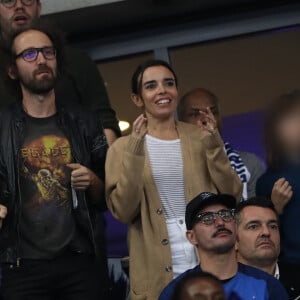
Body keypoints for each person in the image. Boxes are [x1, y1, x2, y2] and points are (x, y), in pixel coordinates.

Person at [105, 60, 243, 300]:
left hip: (205, 242)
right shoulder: (121, 148)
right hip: (155, 254)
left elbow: (232, 194)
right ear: (137, 98)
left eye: (168, 83)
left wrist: (213, 144)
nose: (162, 90)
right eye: (151, 86)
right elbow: (123, 211)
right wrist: (136, 149)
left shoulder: (200, 136)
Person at [0, 25, 108, 299]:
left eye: (48, 52)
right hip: (22, 266)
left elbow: (109, 196)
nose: (41, 59)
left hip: (80, 261)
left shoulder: (84, 122)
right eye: (29, 54)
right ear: (12, 70)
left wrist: (93, 181)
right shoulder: (1, 126)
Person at [0, 0, 120, 145]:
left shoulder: (76, 60)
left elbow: (104, 121)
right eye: (8, 1)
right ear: (12, 71)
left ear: (38, 7)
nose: (19, 6)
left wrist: (97, 166)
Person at [159, 192, 289, 300]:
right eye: (207, 218)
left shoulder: (267, 285)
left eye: (226, 215)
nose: (220, 222)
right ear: (191, 237)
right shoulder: (177, 292)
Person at [178, 88, 264, 199]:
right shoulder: (172, 166)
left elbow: (257, 213)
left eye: (212, 112)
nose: (205, 119)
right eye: (195, 114)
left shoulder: (249, 162)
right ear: (180, 123)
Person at [256, 90, 300, 279]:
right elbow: (262, 236)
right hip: (292, 268)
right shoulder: (268, 181)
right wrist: (276, 209)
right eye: (291, 119)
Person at [235, 197, 300, 298]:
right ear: (234, 241)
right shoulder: (219, 287)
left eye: (273, 226)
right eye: (253, 226)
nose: (266, 232)